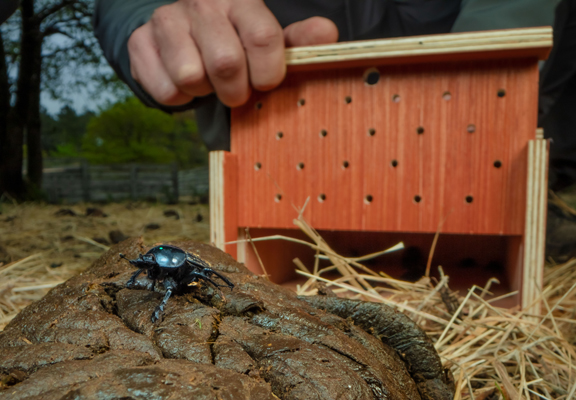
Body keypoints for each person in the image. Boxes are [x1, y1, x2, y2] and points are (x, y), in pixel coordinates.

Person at [94, 0, 576, 260]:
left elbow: (513, 17)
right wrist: (143, 15)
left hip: (470, 154)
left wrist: (474, 89)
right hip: (269, 137)